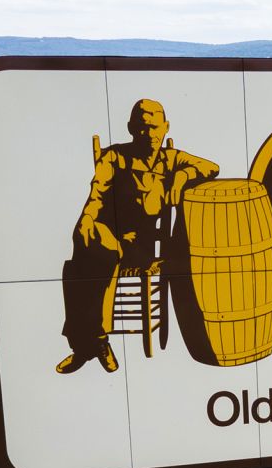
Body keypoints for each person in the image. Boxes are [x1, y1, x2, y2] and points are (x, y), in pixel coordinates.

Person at [56, 99, 219, 374]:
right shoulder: (114, 157)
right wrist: (86, 220)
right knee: (84, 254)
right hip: (107, 234)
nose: (150, 134)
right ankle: (94, 342)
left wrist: (182, 177)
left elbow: (211, 167)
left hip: (141, 245)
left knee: (87, 264)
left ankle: (88, 346)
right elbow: (97, 194)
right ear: (131, 128)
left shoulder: (171, 159)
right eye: (143, 128)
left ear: (165, 127)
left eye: (155, 127)